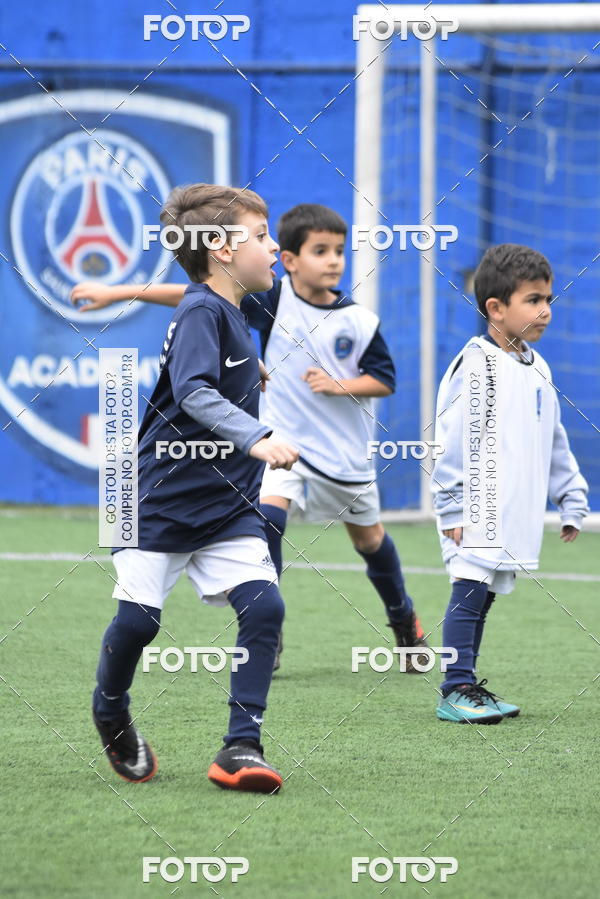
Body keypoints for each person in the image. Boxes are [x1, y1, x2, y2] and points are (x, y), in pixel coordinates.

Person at [73, 203, 430, 674]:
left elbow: (384, 379)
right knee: (268, 517)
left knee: (369, 540)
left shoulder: (359, 321)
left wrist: (338, 383)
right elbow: (191, 296)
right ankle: (266, 623)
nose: (333, 260)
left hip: (342, 455)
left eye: (339, 251)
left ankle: (402, 616)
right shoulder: (268, 300)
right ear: (292, 260)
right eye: (320, 250)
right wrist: (117, 291)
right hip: (275, 446)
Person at [91, 183, 299, 791]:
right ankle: (110, 709)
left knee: (266, 608)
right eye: (260, 236)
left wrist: (251, 366)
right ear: (221, 250)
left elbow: (192, 312)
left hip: (226, 504)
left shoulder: (233, 306)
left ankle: (241, 747)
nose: (273, 246)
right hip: (154, 496)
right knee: (138, 625)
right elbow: (195, 392)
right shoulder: (202, 311)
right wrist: (257, 435)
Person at [431, 243, 589, 724]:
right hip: (475, 507)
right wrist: (454, 505)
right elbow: (450, 438)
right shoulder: (474, 363)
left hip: (513, 511)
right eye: (533, 299)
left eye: (549, 300)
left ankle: (466, 685)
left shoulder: (538, 367)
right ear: (495, 308)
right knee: (470, 587)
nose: (545, 310)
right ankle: (455, 689)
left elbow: (553, 438)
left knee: (486, 592)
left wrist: (571, 494)